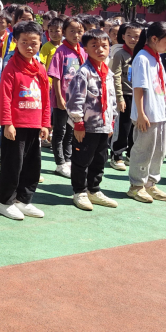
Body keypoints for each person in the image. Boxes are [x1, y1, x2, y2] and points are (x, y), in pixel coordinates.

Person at [0, 20, 50, 221]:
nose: (29, 46)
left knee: (32, 166)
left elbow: (45, 99)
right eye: (24, 41)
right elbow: (5, 97)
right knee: (12, 165)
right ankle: (5, 202)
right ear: (15, 41)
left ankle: (23, 200)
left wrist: (45, 123)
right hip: (15, 127)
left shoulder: (40, 69)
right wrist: (7, 123)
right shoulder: (11, 68)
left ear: (40, 43)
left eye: (34, 42)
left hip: (34, 125)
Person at [65, 27, 119, 211]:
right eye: (94, 45)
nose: (100, 50)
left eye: (104, 46)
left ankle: (93, 190)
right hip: (86, 127)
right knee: (82, 159)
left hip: (103, 126)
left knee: (99, 160)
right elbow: (75, 100)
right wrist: (78, 123)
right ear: (85, 48)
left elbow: (111, 100)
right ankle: (79, 191)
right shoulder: (83, 73)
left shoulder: (108, 73)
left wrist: (111, 122)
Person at [127, 21, 166, 204]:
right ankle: (136, 186)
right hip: (147, 114)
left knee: (159, 151)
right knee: (143, 150)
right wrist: (140, 114)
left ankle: (151, 183)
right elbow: (139, 88)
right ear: (154, 39)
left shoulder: (156, 56)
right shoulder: (142, 58)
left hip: (160, 113)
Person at [47, 16, 85, 179]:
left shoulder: (82, 51)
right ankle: (60, 162)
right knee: (60, 131)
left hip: (76, 100)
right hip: (62, 99)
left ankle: (68, 159)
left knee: (71, 130)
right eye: (72, 31)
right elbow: (56, 77)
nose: (76, 35)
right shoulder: (60, 51)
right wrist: (59, 98)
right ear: (64, 32)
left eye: (79, 31)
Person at [109, 20, 142, 171]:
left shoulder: (141, 54)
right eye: (129, 35)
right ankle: (117, 155)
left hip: (138, 96)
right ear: (123, 36)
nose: (133, 39)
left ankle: (131, 153)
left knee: (136, 127)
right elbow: (115, 76)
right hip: (125, 95)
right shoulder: (120, 54)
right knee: (123, 127)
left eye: (137, 36)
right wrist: (119, 97)